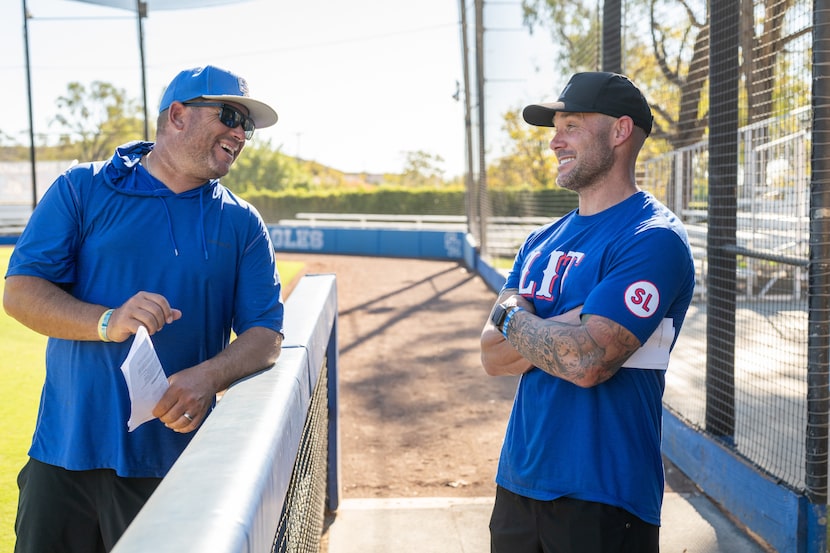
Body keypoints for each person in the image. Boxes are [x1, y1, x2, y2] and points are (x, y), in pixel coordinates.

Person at [5, 65, 285, 553]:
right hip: (61, 457)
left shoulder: (243, 223)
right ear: (177, 115)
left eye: (247, 125)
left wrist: (208, 378)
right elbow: (21, 292)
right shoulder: (80, 188)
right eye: (228, 116)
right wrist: (106, 320)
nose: (240, 133)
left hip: (171, 468)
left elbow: (266, 334)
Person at [480, 71, 696, 553]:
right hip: (519, 480)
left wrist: (512, 316)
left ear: (620, 131)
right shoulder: (540, 241)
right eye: (555, 128)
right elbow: (490, 357)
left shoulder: (652, 238)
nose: (555, 141)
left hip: (605, 495)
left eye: (571, 126)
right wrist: (568, 322)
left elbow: (588, 361)